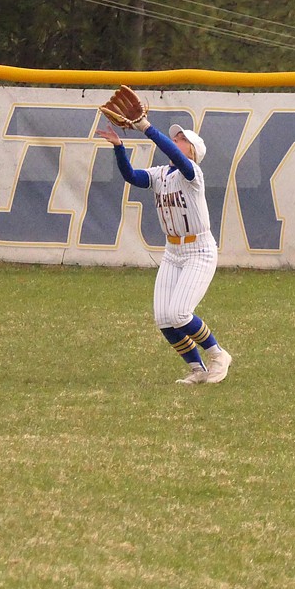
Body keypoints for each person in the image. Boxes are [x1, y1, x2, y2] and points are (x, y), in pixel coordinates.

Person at [96, 90, 233, 385]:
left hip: (199, 250)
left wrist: (145, 126)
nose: (177, 141)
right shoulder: (161, 174)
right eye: (177, 137)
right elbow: (132, 177)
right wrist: (119, 147)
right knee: (163, 317)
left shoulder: (192, 173)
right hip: (173, 252)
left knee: (180, 312)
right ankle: (197, 369)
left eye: (182, 139)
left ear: (191, 152)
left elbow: (172, 153)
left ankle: (218, 354)